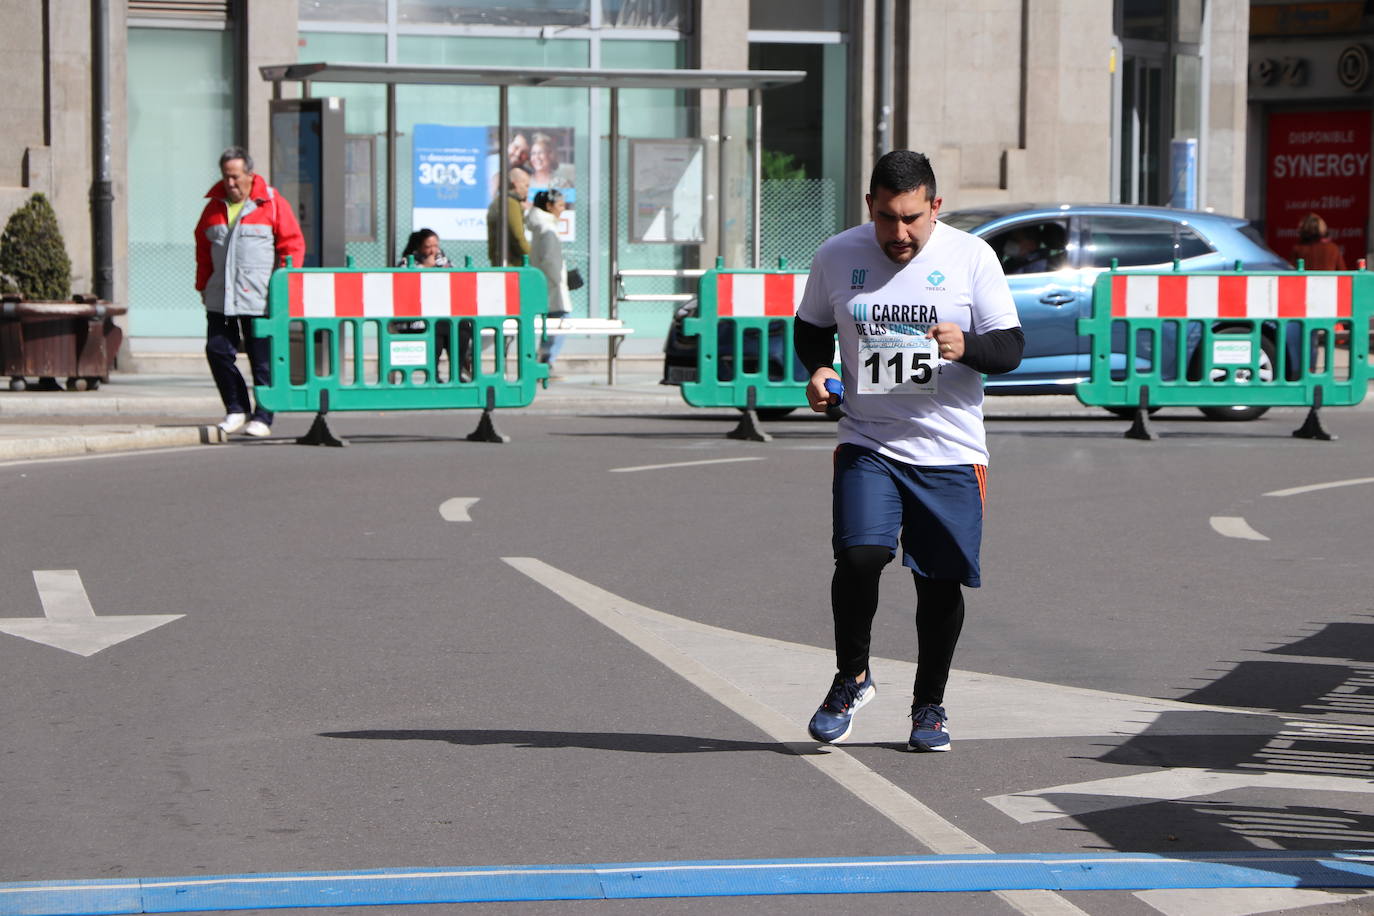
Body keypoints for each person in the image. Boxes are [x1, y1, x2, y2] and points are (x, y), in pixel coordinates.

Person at [793, 150, 1024, 752]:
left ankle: (930, 706)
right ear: (869, 205)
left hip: (949, 449)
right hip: (868, 438)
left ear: (935, 208)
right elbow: (811, 325)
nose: (900, 233)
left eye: (913, 219)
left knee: (938, 583)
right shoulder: (838, 254)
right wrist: (819, 369)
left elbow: (1010, 348)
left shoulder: (973, 257)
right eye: (888, 218)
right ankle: (853, 677)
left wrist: (965, 345)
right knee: (861, 556)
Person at [194, 146, 305, 438]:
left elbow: (292, 247)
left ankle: (263, 416)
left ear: (249, 174)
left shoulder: (272, 203)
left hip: (260, 299)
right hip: (222, 298)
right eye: (226, 177)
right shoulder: (213, 207)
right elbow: (204, 251)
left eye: (235, 177)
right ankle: (235, 409)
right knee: (217, 350)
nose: (230, 183)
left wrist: (283, 288)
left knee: (262, 359)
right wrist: (203, 286)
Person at [527, 189, 572, 379]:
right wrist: (560, 281)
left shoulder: (540, 226)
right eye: (560, 205)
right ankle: (546, 362)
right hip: (552, 285)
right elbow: (549, 260)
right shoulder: (548, 229)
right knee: (561, 321)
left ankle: (544, 361)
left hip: (545, 284)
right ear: (549, 206)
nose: (563, 209)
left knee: (552, 323)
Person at [487, 170, 530, 267]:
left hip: (500, 260)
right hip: (512, 264)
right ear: (516, 184)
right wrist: (531, 256)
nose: (528, 190)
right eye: (526, 186)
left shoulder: (498, 201)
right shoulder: (511, 204)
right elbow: (518, 236)